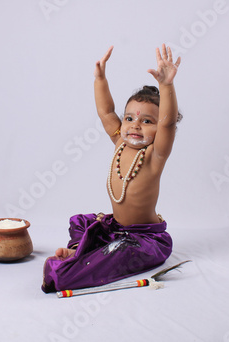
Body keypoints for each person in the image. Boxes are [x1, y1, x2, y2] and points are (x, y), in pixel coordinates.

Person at [42, 44, 182, 293]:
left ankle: (74, 267)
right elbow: (106, 111)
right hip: (116, 228)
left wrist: (167, 86)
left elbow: (168, 122)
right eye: (129, 118)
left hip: (144, 240)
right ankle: (81, 251)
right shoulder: (120, 141)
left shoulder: (154, 155)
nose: (134, 125)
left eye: (147, 121)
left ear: (158, 128)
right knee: (80, 222)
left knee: (121, 249)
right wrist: (100, 79)